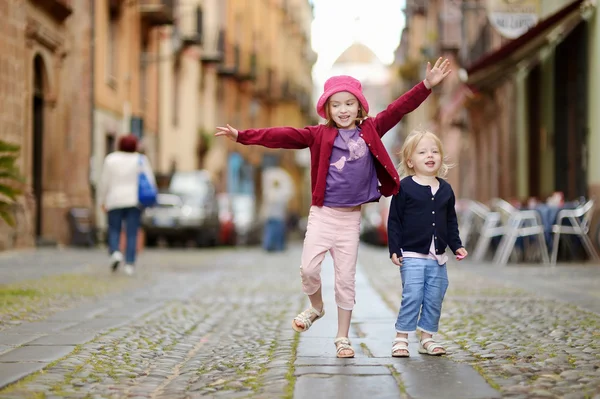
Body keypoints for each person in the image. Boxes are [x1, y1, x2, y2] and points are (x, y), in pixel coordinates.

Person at [216, 58, 451, 358]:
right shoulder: (318, 135)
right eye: (336, 104)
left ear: (359, 107)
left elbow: (398, 108)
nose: (343, 110)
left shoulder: (371, 129)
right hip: (322, 215)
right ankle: (316, 307)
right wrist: (242, 136)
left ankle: (342, 337)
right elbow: (282, 135)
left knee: (345, 279)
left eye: (349, 103)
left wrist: (426, 85)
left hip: (350, 220)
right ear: (327, 108)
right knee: (308, 269)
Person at [387, 129, 468, 358]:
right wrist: (395, 249)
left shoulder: (445, 189)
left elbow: (450, 221)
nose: (429, 155)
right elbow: (394, 221)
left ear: (441, 157)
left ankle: (427, 338)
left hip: (438, 257)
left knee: (435, 294)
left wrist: (457, 245)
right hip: (412, 254)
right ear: (410, 160)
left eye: (434, 151)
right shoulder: (404, 187)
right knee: (412, 295)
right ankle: (401, 337)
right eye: (422, 152)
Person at [98, 134, 157, 276]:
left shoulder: (111, 159)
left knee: (114, 229)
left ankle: (115, 253)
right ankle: (129, 264)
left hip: (114, 200)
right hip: (133, 201)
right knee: (131, 233)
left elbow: (104, 182)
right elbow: (150, 180)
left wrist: (102, 200)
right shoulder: (140, 160)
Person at [262, 179, 291, 252]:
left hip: (271, 216)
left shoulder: (269, 193)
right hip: (278, 216)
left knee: (270, 232)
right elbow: (284, 206)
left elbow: (266, 205)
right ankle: (279, 247)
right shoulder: (281, 194)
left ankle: (268, 246)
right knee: (279, 233)